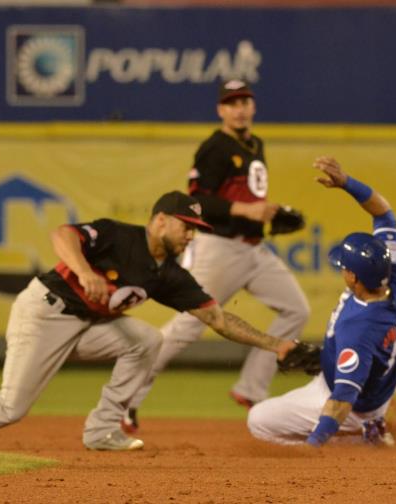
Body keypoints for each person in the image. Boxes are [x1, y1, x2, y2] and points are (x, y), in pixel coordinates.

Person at [0, 191, 296, 451]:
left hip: (86, 325)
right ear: (160, 220)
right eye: (186, 226)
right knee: (10, 408)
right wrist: (85, 271)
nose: (192, 236)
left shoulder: (169, 274)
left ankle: (103, 428)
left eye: (196, 230)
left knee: (147, 341)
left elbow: (219, 319)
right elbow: (62, 234)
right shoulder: (118, 236)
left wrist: (275, 345)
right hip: (44, 312)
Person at [124, 80, 310, 432]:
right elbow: (197, 201)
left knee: (296, 308)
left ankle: (251, 388)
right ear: (220, 110)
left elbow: (244, 202)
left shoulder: (255, 144)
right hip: (220, 247)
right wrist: (246, 210)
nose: (239, 107)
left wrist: (268, 215)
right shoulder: (215, 147)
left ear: (253, 106)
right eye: (231, 102)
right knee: (189, 326)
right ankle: (126, 398)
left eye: (244, 101)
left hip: (254, 250)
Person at [247, 157, 396, 447]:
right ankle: (369, 423)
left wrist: (314, 447)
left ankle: (362, 435)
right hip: (381, 382)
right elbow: (384, 212)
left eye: (344, 267)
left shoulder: (357, 329)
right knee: (354, 373)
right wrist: (347, 183)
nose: (341, 270)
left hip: (354, 403)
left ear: (354, 278)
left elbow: (341, 401)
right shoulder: (395, 277)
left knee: (258, 421)